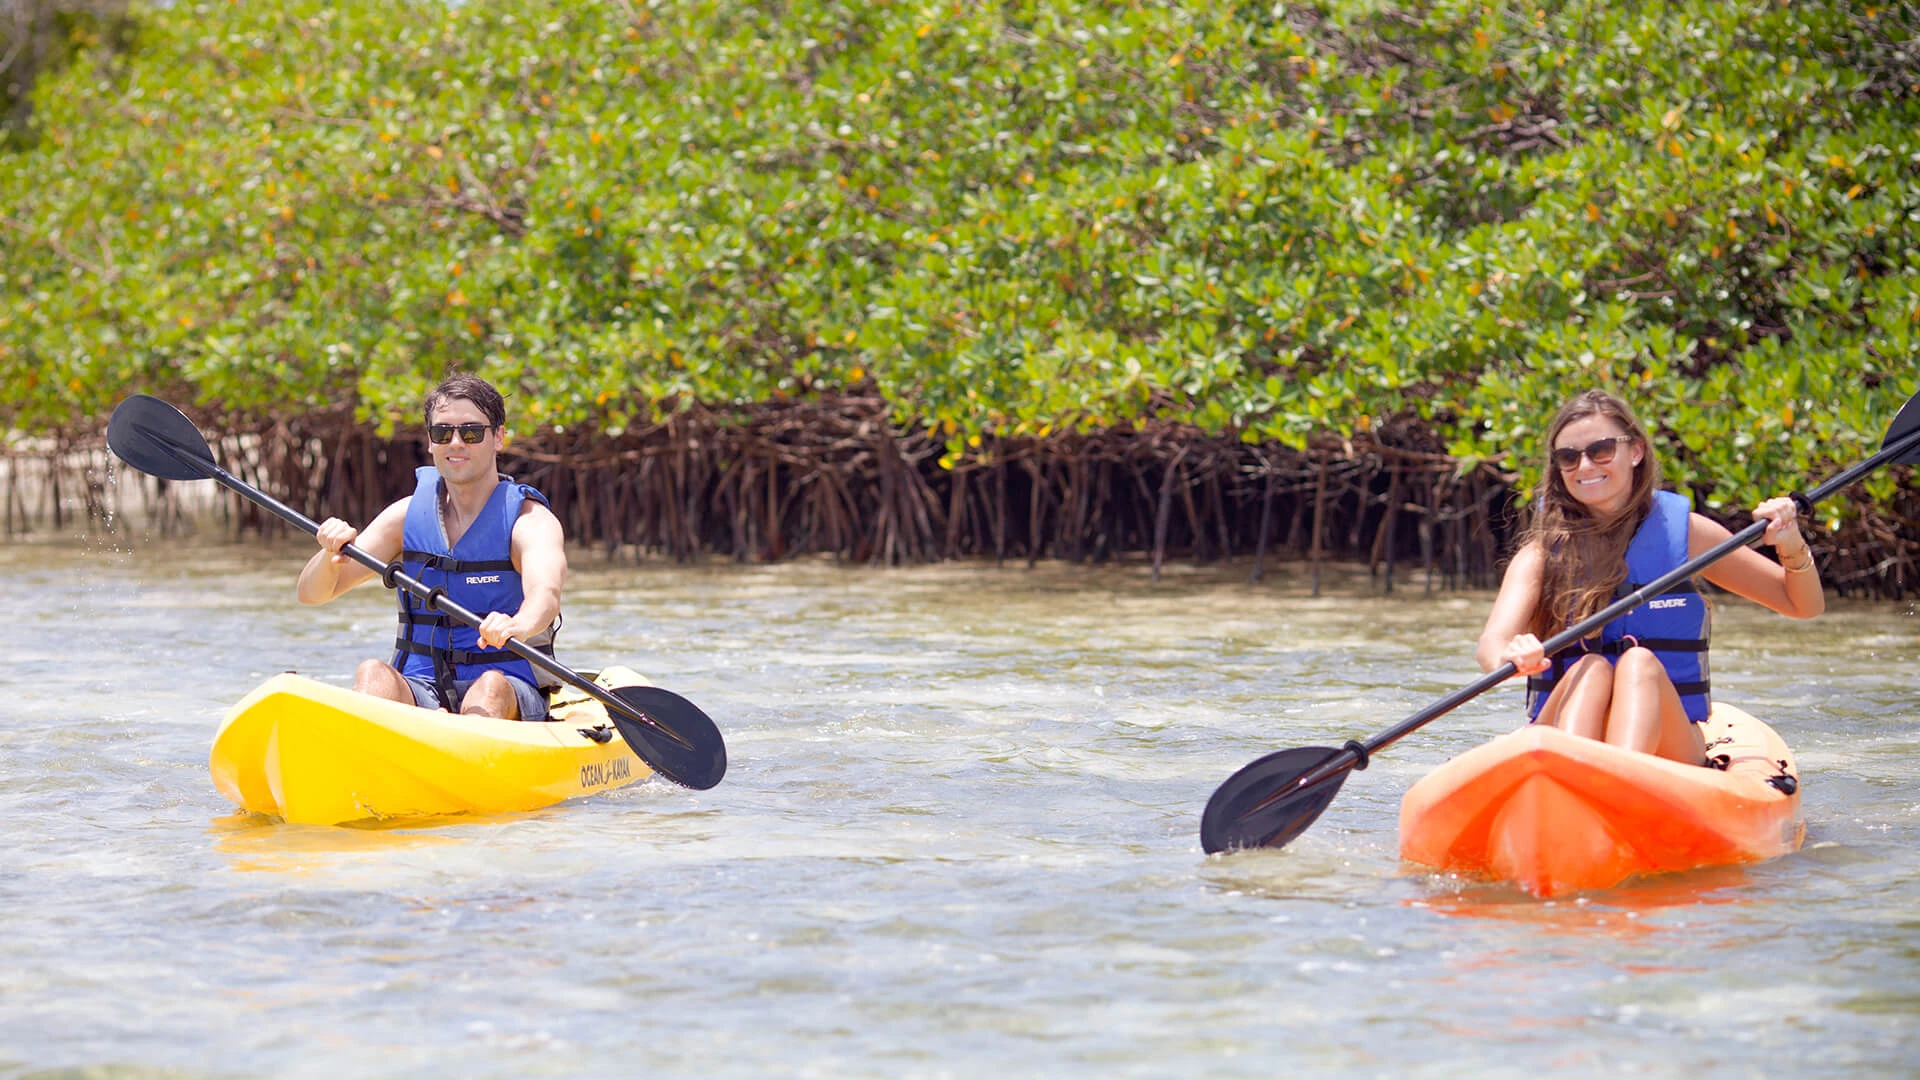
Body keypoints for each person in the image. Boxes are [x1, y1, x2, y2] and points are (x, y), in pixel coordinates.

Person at [1476, 389, 1824, 765]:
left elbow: (1801, 605)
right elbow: (1493, 643)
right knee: (1590, 669)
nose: (1585, 466)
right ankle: (1573, 780)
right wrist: (1511, 655)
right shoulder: (1541, 555)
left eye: (1601, 450)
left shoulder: (1685, 534)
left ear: (1636, 452)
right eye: (1568, 457)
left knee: (1639, 663)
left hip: (1666, 739)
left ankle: (1622, 779)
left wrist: (1790, 543)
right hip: (1570, 724)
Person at [296, 373, 567, 720]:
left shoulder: (531, 522)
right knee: (372, 673)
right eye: (443, 432)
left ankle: (471, 753)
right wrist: (328, 554)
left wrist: (519, 625)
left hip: (507, 690)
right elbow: (312, 594)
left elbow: (545, 596)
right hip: (422, 686)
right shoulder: (406, 516)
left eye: (471, 432)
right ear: (430, 441)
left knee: (489, 688)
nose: (456, 443)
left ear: (498, 437)